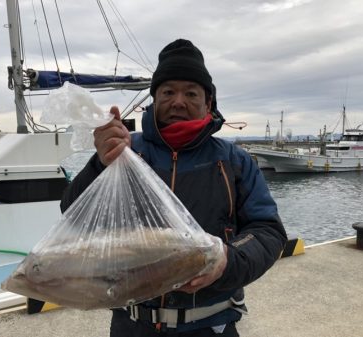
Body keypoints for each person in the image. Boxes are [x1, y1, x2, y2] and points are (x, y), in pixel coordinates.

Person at [60, 39, 287, 337]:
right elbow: (75, 218)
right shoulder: (124, 151)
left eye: (191, 93)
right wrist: (100, 165)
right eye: (168, 92)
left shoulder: (235, 161)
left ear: (208, 103)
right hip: (132, 324)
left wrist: (227, 261)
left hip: (211, 324)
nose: (178, 101)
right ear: (154, 99)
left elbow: (268, 232)